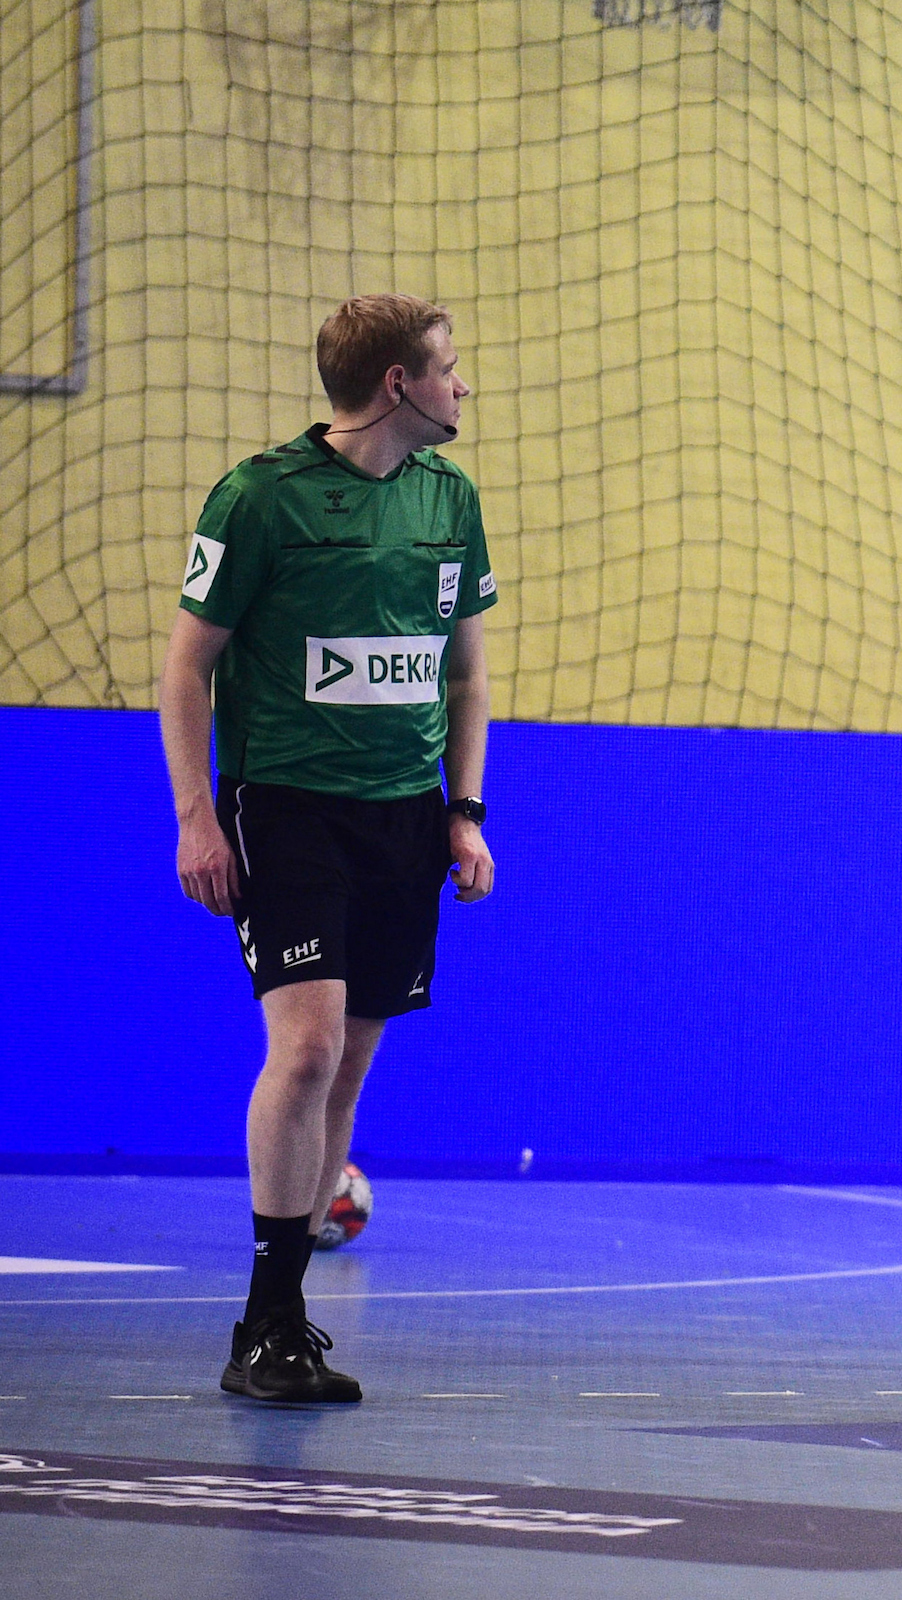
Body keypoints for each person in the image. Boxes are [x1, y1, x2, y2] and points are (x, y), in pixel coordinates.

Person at [158, 294, 498, 1404]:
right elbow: (187, 670)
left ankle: (293, 1316)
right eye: (447, 368)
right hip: (290, 806)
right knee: (301, 1049)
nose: (462, 387)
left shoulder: (453, 499)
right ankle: (264, 1320)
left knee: (350, 1058)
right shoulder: (259, 498)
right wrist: (198, 815)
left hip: (404, 816)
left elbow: (463, 672)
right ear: (396, 383)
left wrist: (465, 811)